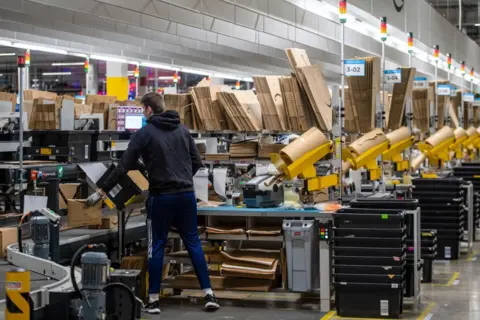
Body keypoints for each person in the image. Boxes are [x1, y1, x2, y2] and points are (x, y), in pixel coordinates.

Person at [85, 92, 219, 314]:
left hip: (161, 197)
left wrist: (101, 191)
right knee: (193, 242)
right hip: (186, 195)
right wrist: (182, 177)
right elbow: (197, 163)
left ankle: (154, 300)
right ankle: (209, 294)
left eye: (142, 109)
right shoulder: (183, 130)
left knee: (157, 244)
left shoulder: (144, 133)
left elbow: (123, 167)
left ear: (147, 109)